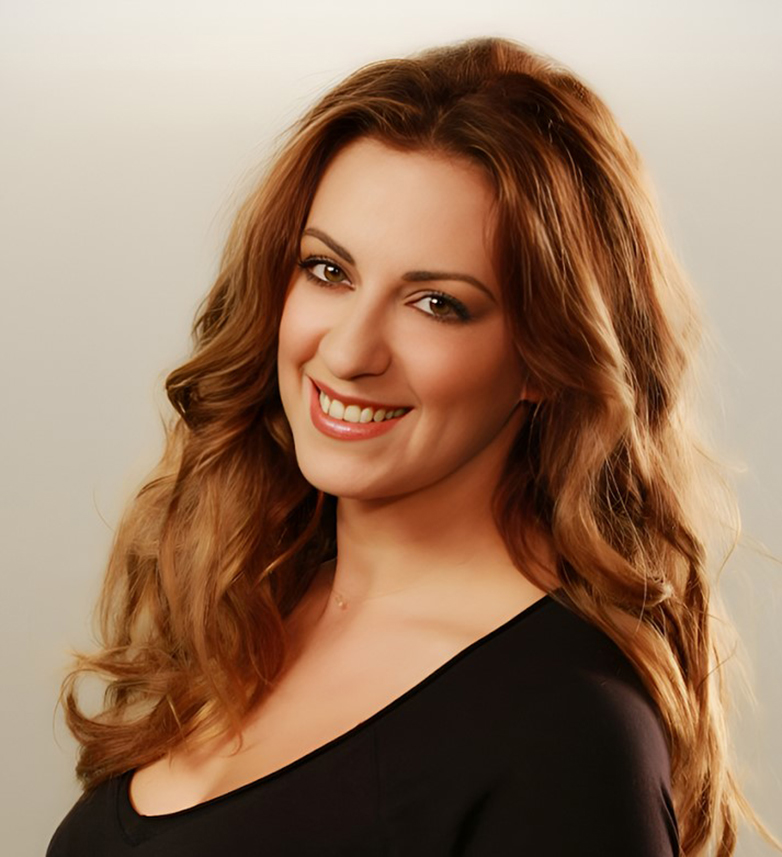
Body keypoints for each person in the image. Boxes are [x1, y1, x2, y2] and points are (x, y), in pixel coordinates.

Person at [47, 36, 774, 856]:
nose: (348, 351)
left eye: (436, 303)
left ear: (545, 358)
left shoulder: (567, 730)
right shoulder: (248, 603)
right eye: (328, 271)